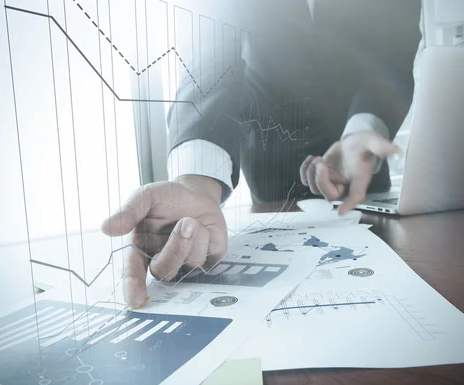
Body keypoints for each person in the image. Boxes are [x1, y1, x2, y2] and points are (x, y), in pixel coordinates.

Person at [102, 0, 422, 307]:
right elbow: (209, 55)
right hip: (273, 170)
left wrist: (363, 128)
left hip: (361, 169)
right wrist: (195, 182)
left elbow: (392, 51)